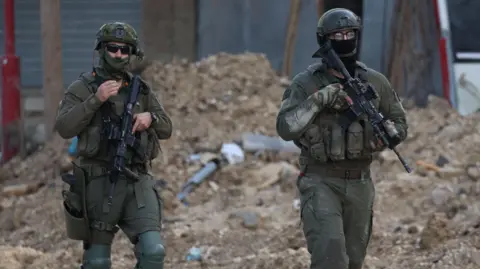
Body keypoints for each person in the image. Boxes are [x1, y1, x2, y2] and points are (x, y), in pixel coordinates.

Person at [276, 8, 408, 269]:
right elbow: (285, 127)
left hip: (360, 183)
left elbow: (400, 122)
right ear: (325, 40)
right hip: (320, 181)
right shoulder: (307, 83)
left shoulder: (375, 82)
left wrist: (389, 134)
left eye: (350, 33)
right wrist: (320, 99)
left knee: (354, 261)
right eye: (338, 34)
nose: (345, 38)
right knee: (330, 258)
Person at [55, 22, 172, 269]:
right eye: (113, 48)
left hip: (136, 182)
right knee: (97, 261)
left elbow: (166, 128)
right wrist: (95, 100)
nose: (119, 55)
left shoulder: (140, 90)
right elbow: (65, 127)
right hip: (99, 183)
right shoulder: (83, 88)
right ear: (101, 49)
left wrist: (150, 118)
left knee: (153, 252)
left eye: (124, 50)